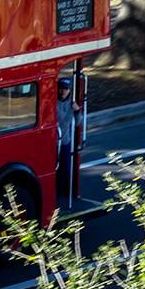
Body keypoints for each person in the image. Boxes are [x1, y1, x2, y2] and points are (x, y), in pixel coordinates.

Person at [56, 77, 81, 206]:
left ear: (69, 90)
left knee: (65, 169)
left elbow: (77, 123)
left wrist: (77, 110)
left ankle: (55, 190)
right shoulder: (54, 102)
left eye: (66, 89)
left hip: (65, 142)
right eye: (61, 88)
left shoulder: (72, 103)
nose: (63, 91)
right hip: (52, 143)